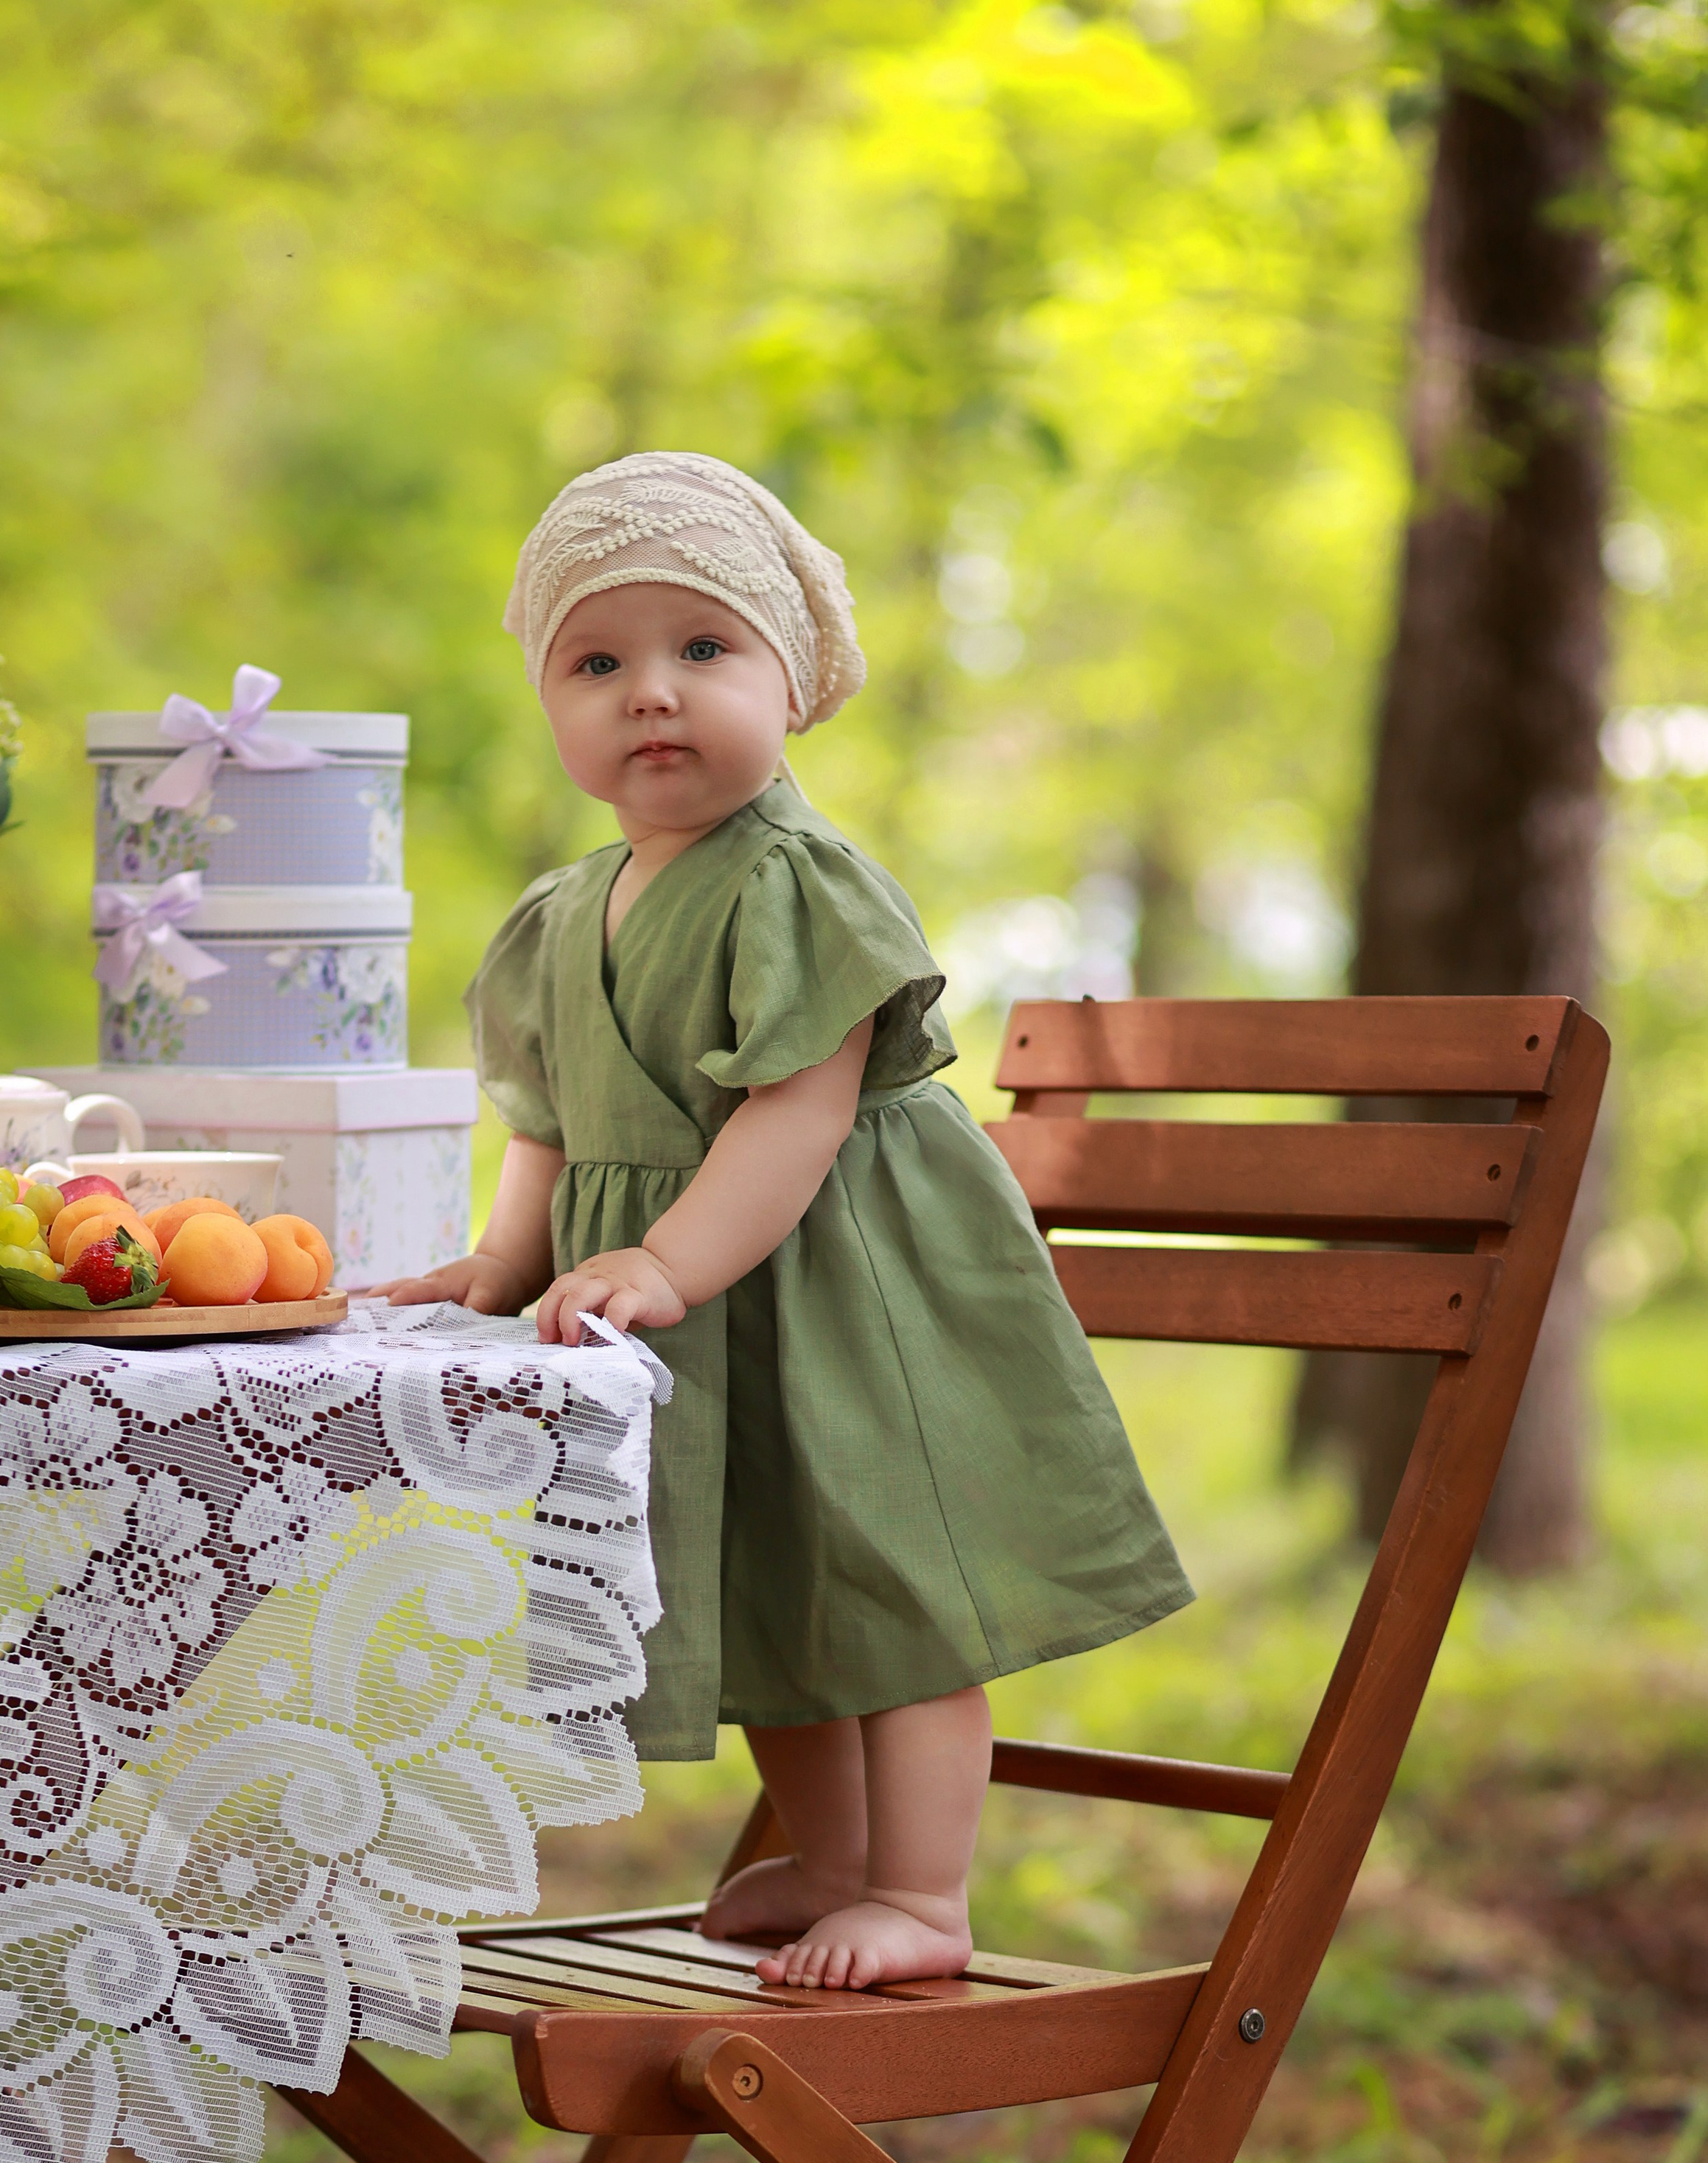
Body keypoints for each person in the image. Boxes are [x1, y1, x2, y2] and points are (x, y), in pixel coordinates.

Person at [376, 452, 1191, 1991]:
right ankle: (822, 1859)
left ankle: (922, 1895)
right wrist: (507, 1260)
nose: (650, 694)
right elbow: (548, 1124)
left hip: (847, 1282)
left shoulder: (797, 884)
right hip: (693, 1297)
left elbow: (795, 1114)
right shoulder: (562, 915)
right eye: (597, 662)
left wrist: (663, 1260)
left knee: (887, 1586)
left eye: (702, 648)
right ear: (550, 702)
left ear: (791, 676)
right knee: (761, 1580)